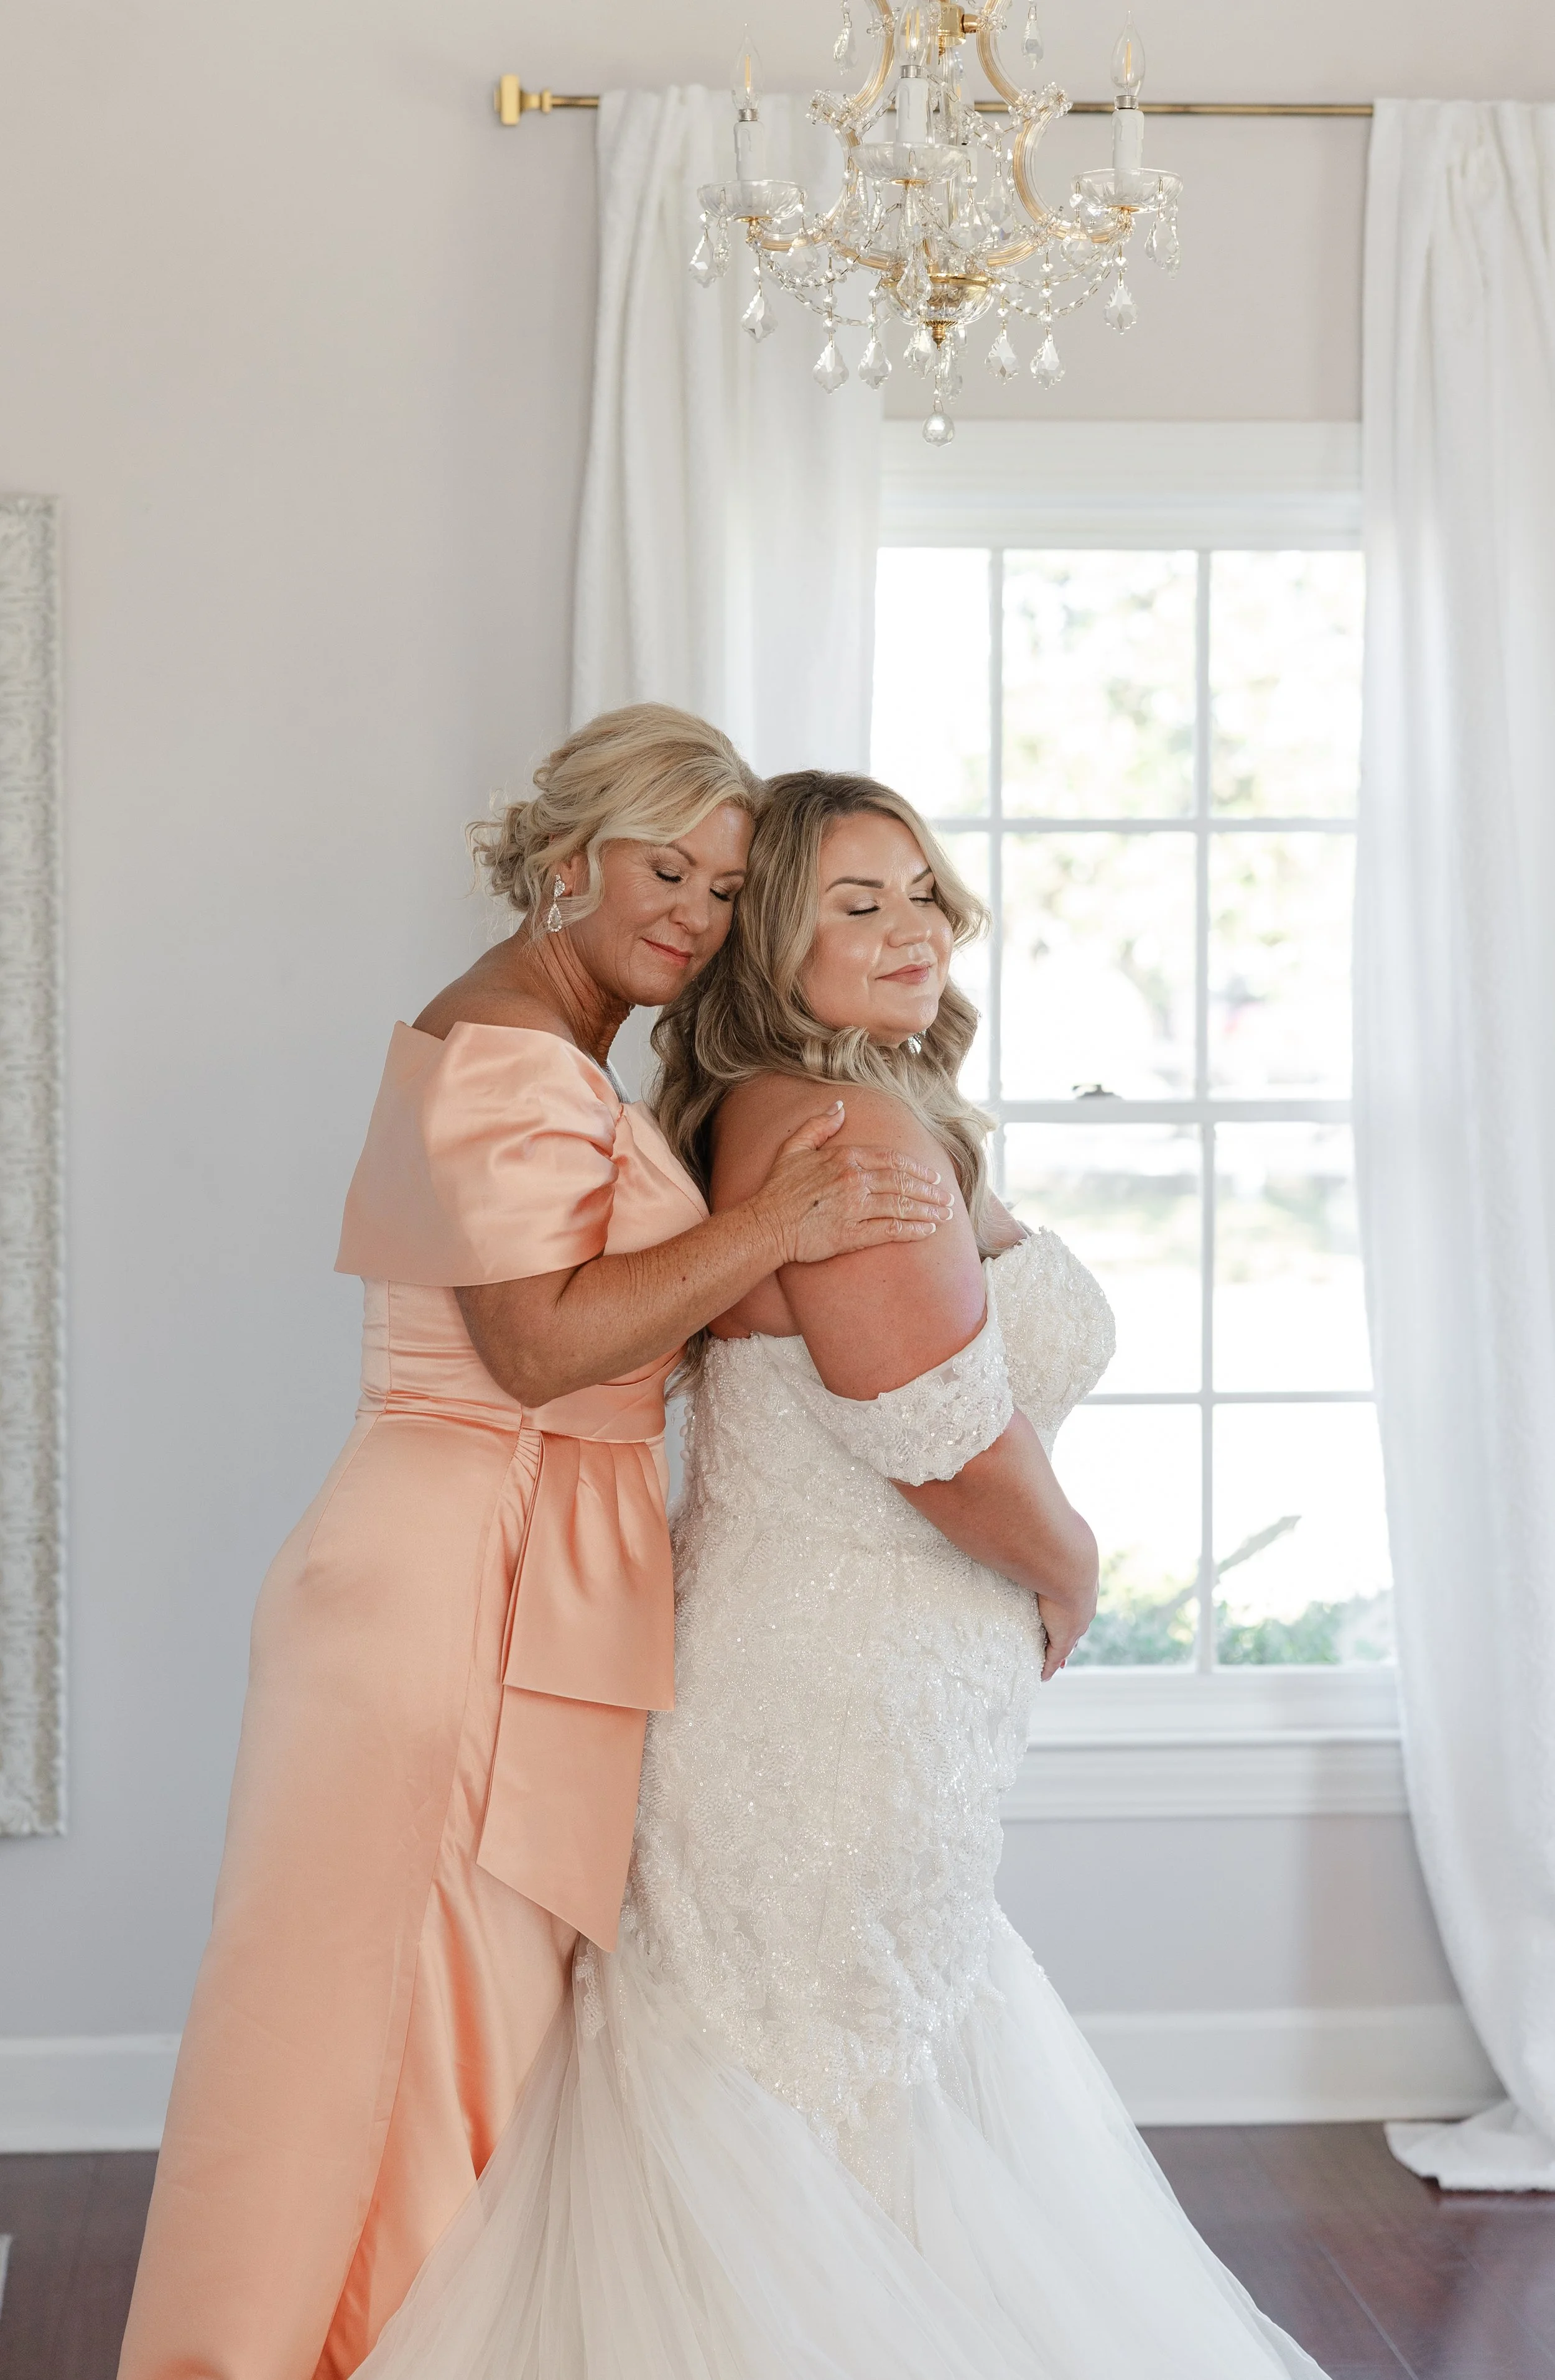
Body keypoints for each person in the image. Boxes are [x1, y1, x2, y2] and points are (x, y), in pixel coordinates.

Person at [341, 766, 1334, 2378]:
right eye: (854, 906)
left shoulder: (870, 1105)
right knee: (810, 2088)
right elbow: (935, 1434)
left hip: (881, 1695)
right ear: (774, 948)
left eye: (922, 891)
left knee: (863, 2070)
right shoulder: (832, 1124)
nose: (911, 929)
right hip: (823, 1710)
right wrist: (1075, 1567)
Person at [118, 716, 950, 2380]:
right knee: (394, 2024)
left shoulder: (548, 1042)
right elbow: (539, 1346)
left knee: (427, 2015)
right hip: (456, 1567)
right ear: (568, 858)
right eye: (665, 870)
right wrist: (777, 1222)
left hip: (496, 1548)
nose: (697, 916)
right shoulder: (506, 1048)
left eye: (729, 889)